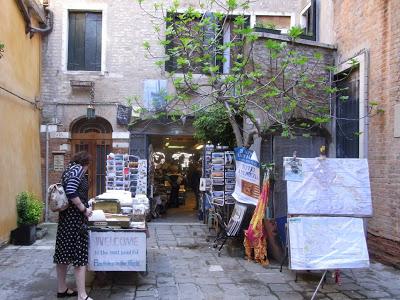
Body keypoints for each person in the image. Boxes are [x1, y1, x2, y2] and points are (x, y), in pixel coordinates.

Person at [53, 151, 93, 300]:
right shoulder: (78, 170)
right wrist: (84, 209)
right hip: (75, 220)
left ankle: (62, 289)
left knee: (63, 254)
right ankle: (82, 295)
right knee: (79, 256)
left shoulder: (69, 168)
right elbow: (70, 190)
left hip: (65, 219)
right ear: (86, 163)